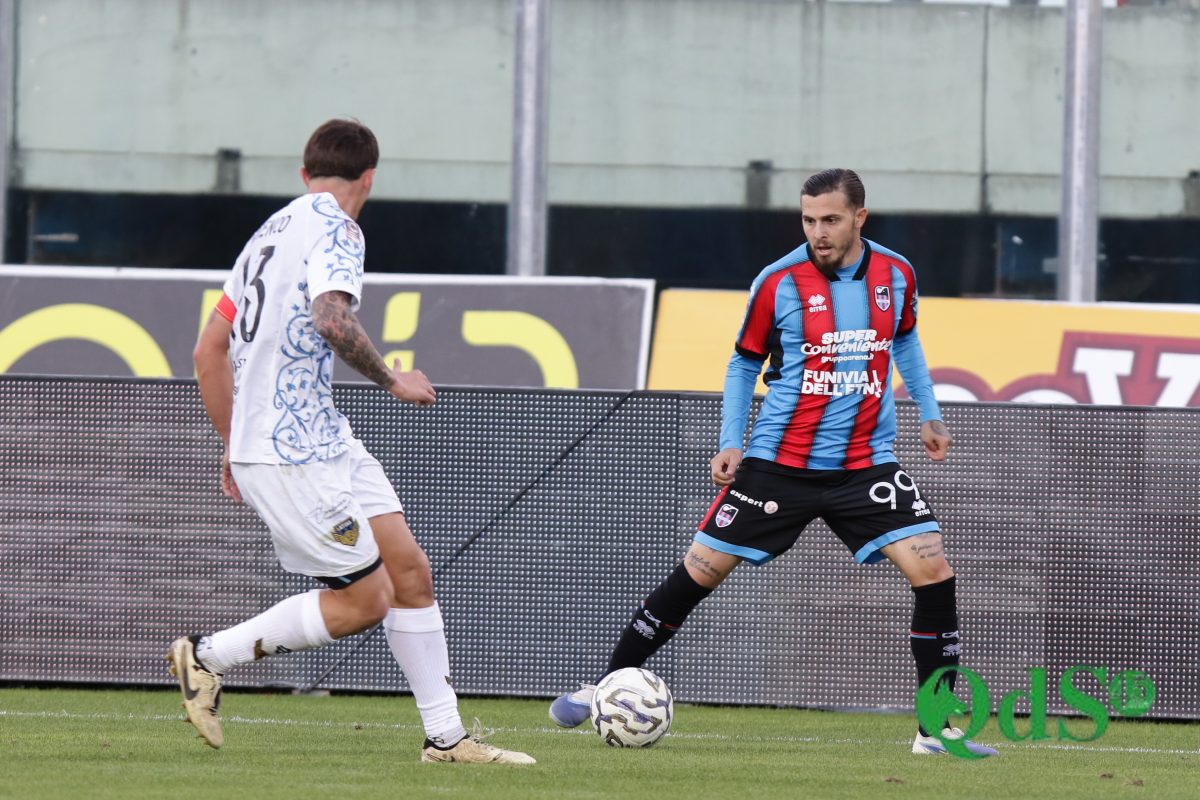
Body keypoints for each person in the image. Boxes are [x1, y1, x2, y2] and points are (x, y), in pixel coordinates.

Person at [549, 168, 996, 757]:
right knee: (699, 573)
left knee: (933, 570)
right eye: (809, 220)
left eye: (831, 219)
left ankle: (935, 730)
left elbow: (905, 339)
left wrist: (929, 412)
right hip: (778, 465)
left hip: (866, 465)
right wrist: (731, 439)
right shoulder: (777, 282)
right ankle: (605, 684)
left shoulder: (897, 273)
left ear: (860, 217)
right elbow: (742, 363)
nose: (819, 232)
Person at [172, 118, 534, 764]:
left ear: (304, 174)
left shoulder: (268, 233)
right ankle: (205, 655)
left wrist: (233, 439)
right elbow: (332, 319)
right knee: (369, 601)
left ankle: (446, 739)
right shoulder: (339, 226)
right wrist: (394, 379)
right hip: (293, 455)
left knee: (410, 572)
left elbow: (208, 351)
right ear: (370, 178)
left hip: (319, 440)